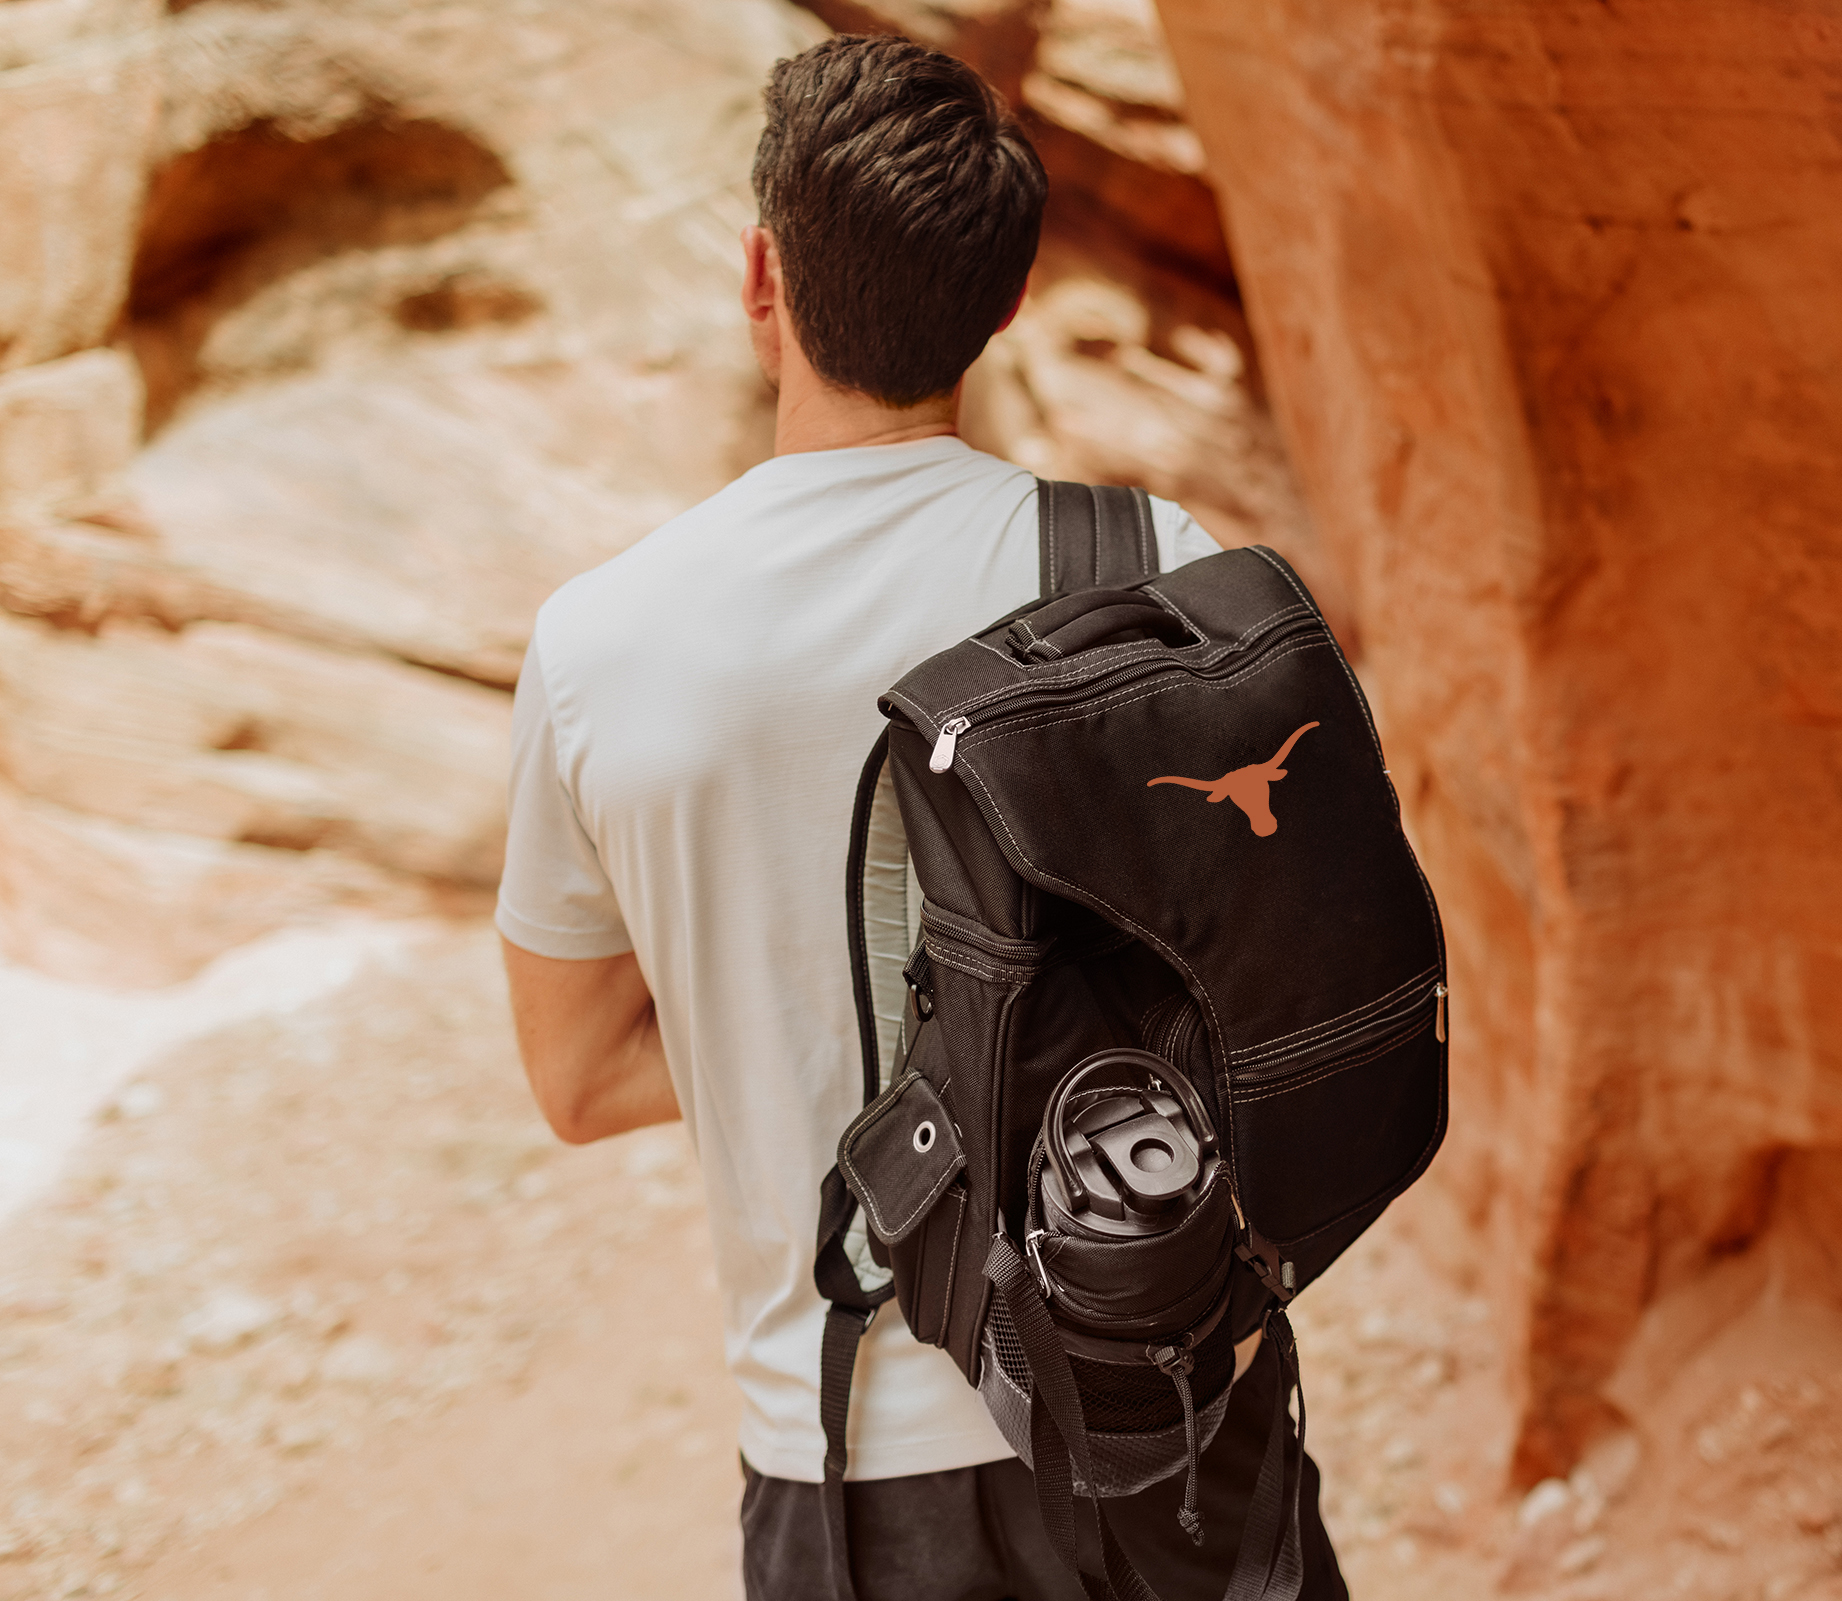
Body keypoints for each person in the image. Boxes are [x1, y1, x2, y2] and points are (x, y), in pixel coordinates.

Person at [493, 33, 1346, 1601]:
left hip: (844, 1478)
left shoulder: (597, 646)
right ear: (1005, 305)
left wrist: (797, 1034)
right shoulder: (1150, 561)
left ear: (762, 279)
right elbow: (1272, 964)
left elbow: (578, 1071)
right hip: (1161, 1404)